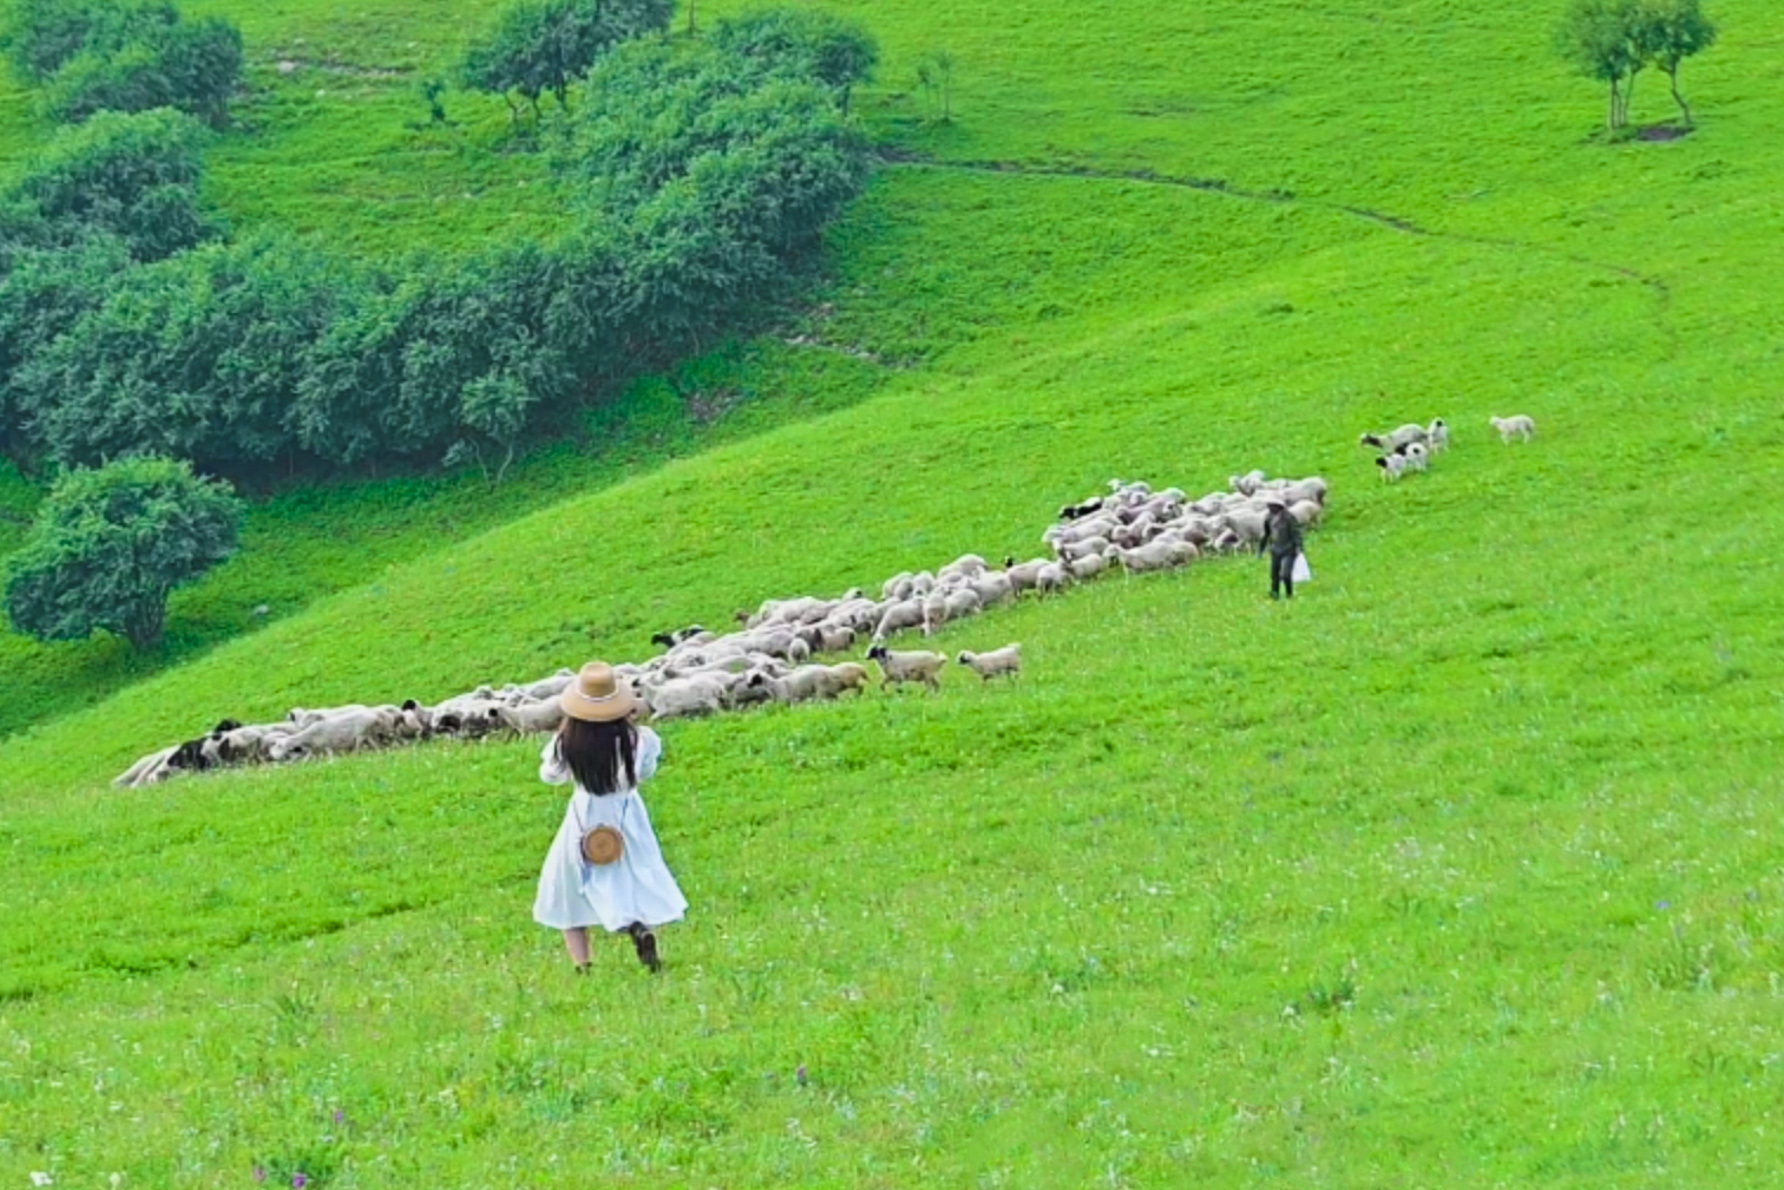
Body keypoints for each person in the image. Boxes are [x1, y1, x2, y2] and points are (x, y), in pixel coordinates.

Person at [533, 661, 687, 974]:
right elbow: (645, 772)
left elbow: (551, 775)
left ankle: (583, 965)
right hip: (627, 813)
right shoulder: (639, 739)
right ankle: (638, 927)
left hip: (585, 814)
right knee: (630, 875)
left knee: (567, 883)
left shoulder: (568, 742)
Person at [1258, 499, 1303, 600]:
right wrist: (1261, 549)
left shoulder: (1288, 517)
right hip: (1275, 549)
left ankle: (1289, 593)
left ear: (1278, 506)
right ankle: (1275, 594)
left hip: (1288, 549)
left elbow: (1296, 532)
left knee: (1286, 574)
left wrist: (1299, 546)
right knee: (1274, 575)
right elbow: (1266, 534)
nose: (1269, 508)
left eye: (1271, 506)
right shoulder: (1268, 518)